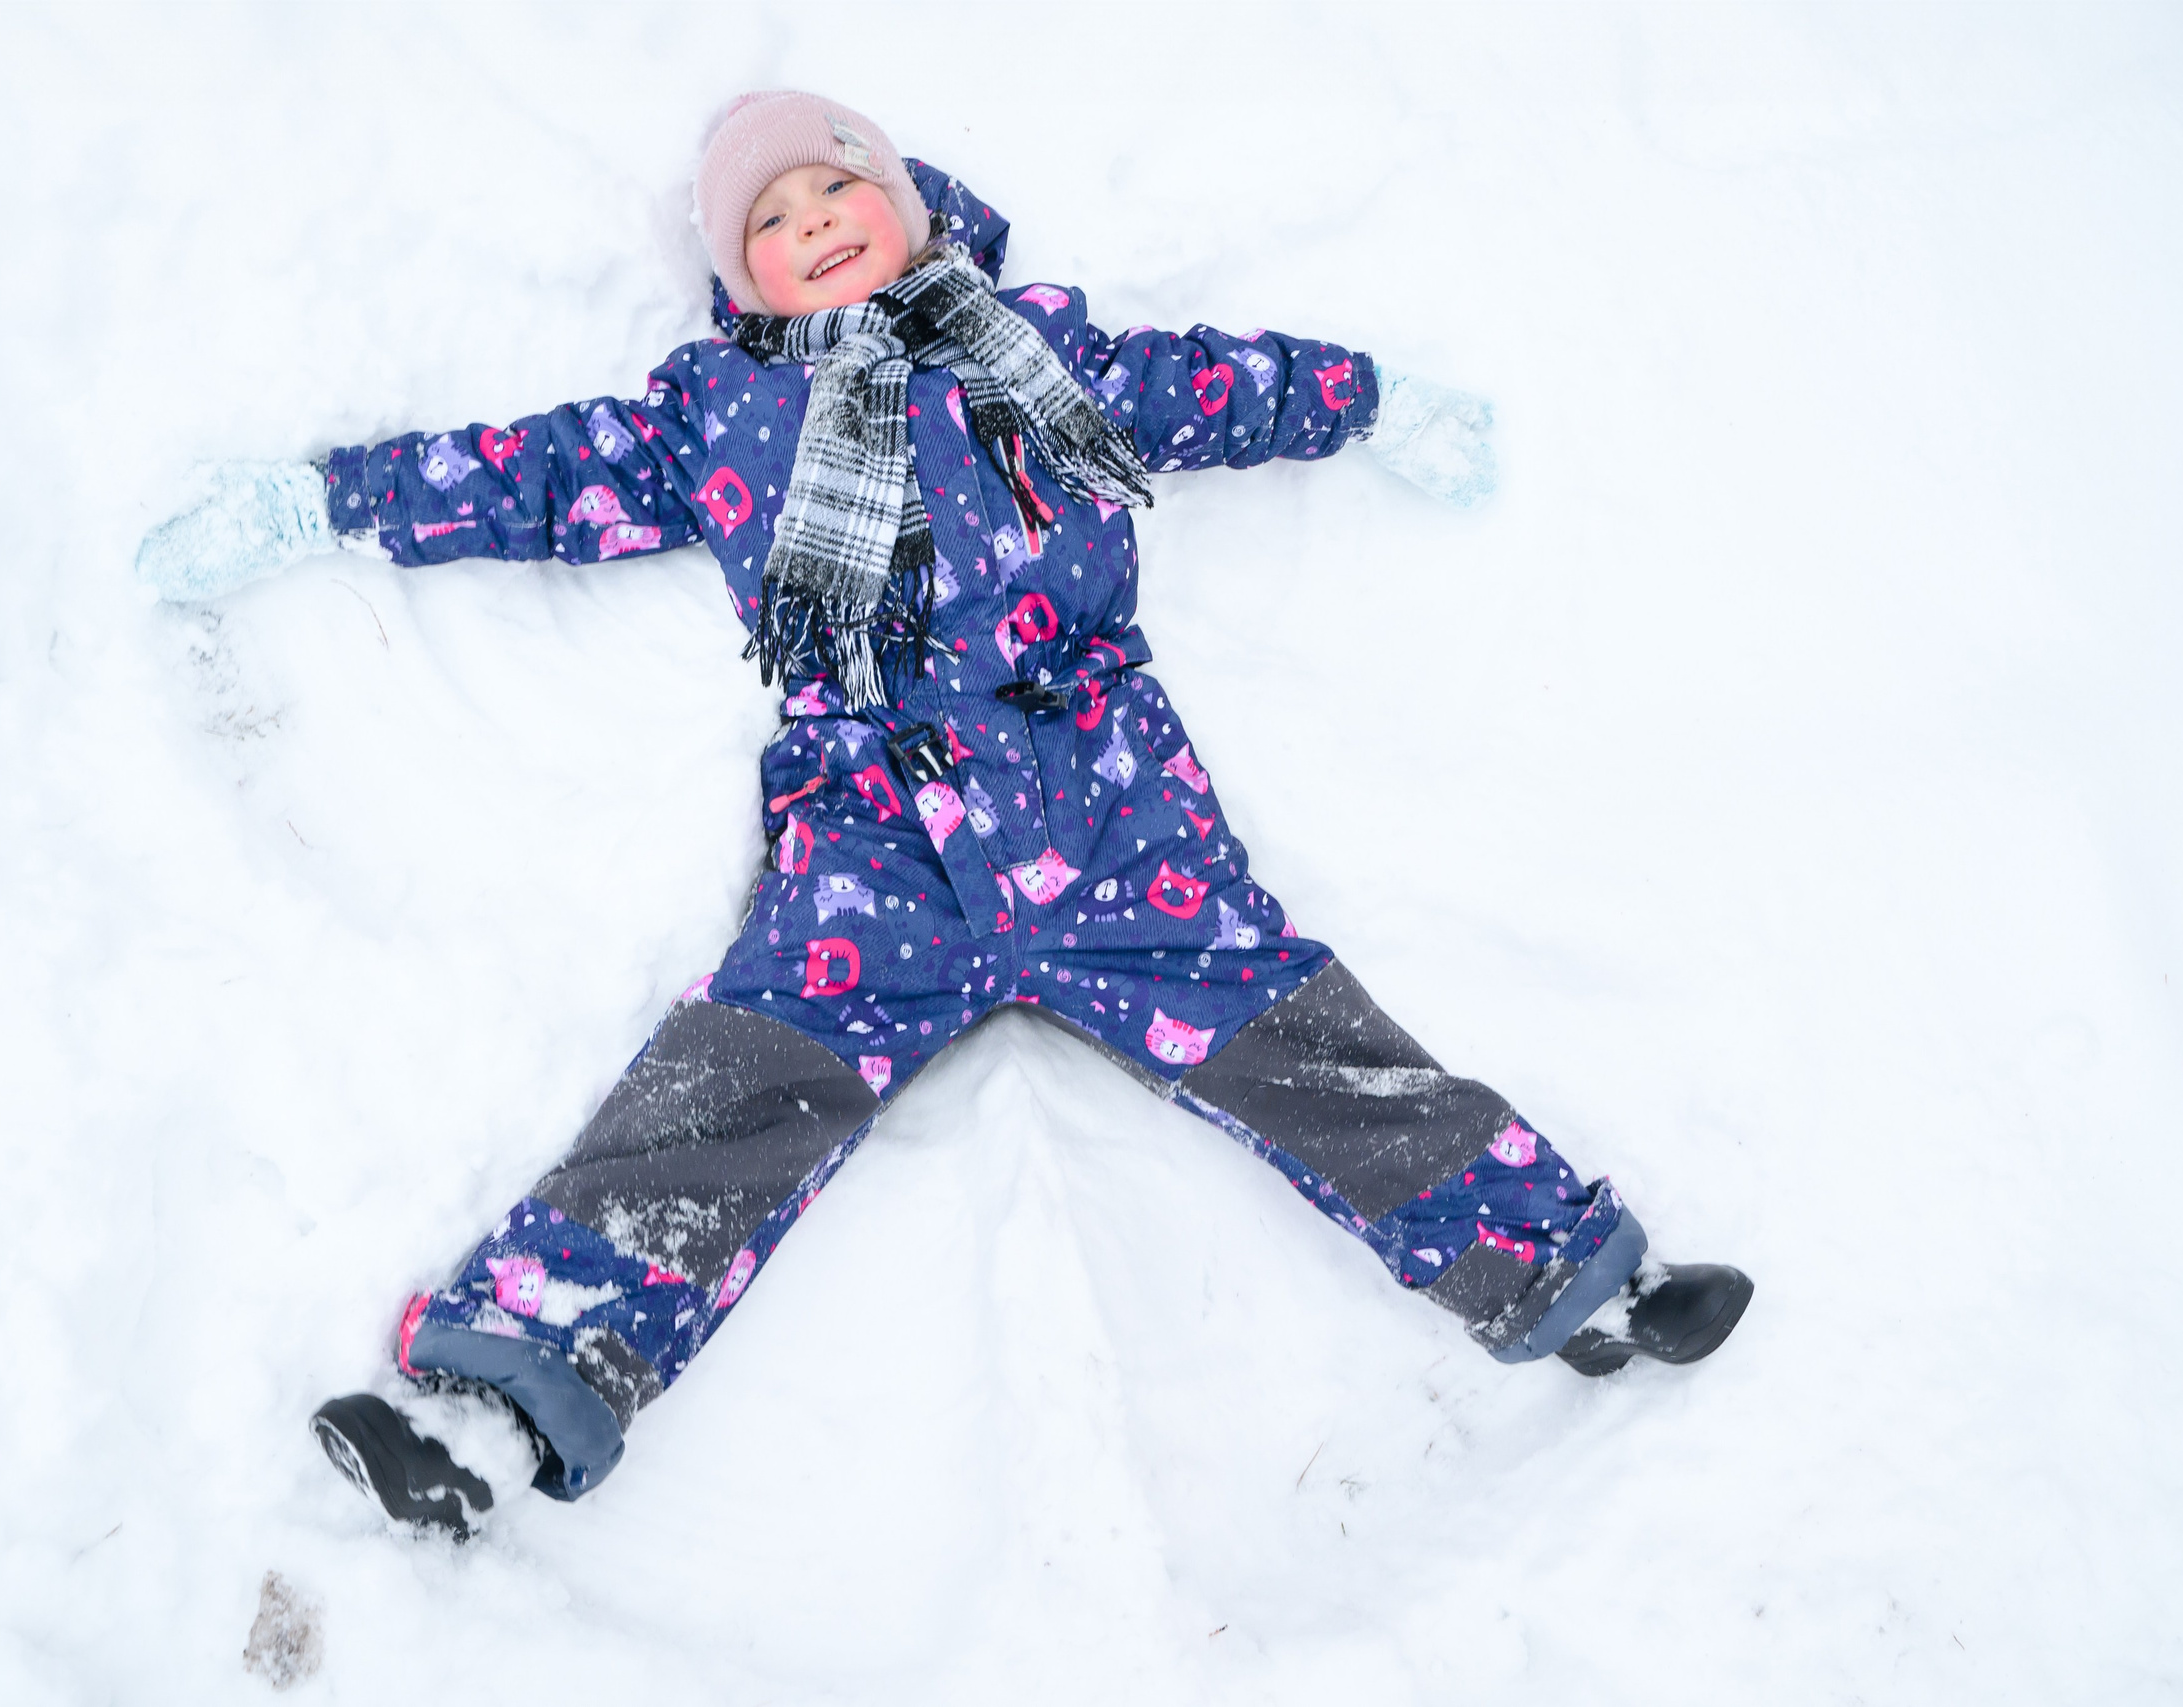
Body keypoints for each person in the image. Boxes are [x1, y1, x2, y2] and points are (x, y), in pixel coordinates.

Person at [141, 92, 1754, 1542]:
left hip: (1115, 817)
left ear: (906, 203)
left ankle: (1576, 1280)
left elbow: (1220, 388)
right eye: (767, 224)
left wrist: (1374, 399)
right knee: (720, 1106)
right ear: (740, 283)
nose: (810, 222)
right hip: (876, 858)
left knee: (1319, 1057)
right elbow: (537, 477)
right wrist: (325, 504)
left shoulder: (1035, 351)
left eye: (833, 186)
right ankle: (491, 1409)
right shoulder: (717, 419)